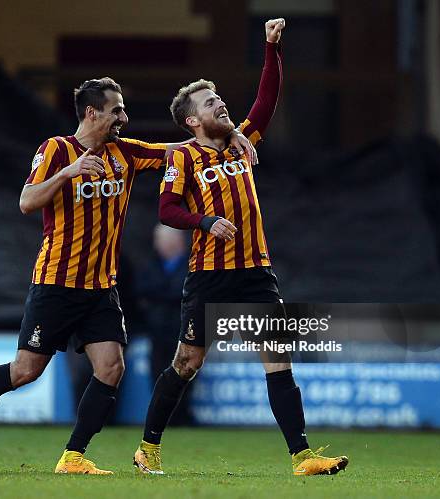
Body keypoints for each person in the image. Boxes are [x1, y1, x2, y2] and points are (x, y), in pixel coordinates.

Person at [0, 77, 255, 474]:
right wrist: (70, 172)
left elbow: (182, 149)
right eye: (117, 110)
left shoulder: (125, 153)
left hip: (101, 288)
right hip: (56, 283)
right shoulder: (56, 150)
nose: (123, 118)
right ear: (92, 112)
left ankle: (73, 456)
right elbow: (27, 201)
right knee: (25, 371)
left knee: (112, 367)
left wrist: (232, 133)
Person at [133, 19, 349, 476]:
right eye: (210, 102)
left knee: (278, 357)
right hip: (210, 274)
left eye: (219, 97)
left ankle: (302, 458)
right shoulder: (182, 157)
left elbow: (266, 101)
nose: (220, 103)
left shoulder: (241, 143)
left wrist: (272, 48)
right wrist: (206, 221)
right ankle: (148, 447)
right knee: (187, 362)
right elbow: (168, 210)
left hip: (256, 270)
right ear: (192, 120)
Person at [137, 224, 193, 425]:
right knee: (158, 372)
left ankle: (181, 417)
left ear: (175, 241)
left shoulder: (192, 264)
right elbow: (141, 290)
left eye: (159, 239)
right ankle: (162, 418)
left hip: (184, 330)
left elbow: (187, 293)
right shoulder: (150, 264)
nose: (156, 244)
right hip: (157, 330)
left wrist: (158, 295)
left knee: (184, 372)